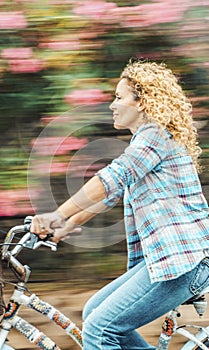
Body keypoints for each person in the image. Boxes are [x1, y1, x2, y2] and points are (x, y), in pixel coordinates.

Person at [31, 58, 209, 350]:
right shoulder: (147, 142)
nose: (112, 104)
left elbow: (113, 177)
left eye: (118, 97)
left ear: (141, 102)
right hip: (168, 261)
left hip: (184, 262)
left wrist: (57, 213)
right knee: (93, 315)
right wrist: (65, 225)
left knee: (101, 331)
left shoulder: (155, 135)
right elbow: (108, 197)